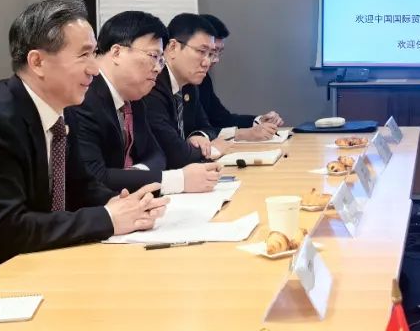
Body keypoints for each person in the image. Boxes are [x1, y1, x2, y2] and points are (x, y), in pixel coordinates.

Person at [0, 0, 167, 282]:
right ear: (38, 62)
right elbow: (7, 229)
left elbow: (81, 186)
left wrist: (124, 205)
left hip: (36, 266)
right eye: (84, 55)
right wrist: (108, 218)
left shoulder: (59, 112)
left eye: (94, 53)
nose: (95, 69)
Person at [66, 11, 222, 194]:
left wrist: (134, 174)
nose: (158, 68)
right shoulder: (84, 97)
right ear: (117, 52)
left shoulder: (134, 96)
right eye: (153, 56)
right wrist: (177, 180)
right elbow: (95, 176)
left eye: (161, 60)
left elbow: (157, 155)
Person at [144, 13, 221, 162]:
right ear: (173, 47)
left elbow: (207, 127)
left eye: (211, 54)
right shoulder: (152, 83)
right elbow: (174, 153)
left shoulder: (189, 85)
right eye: (201, 51)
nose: (207, 62)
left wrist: (199, 136)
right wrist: (215, 149)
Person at [198, 14, 283, 141]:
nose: (215, 59)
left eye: (219, 52)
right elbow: (192, 132)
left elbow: (222, 119)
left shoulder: (203, 79)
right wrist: (241, 134)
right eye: (211, 52)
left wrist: (259, 120)